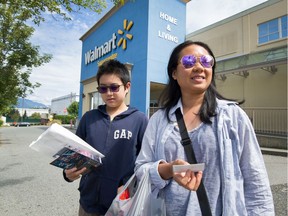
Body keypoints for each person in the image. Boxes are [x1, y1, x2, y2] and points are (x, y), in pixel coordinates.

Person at [135, 40, 274, 215]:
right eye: (188, 62)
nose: (199, 67)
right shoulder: (158, 120)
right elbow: (141, 169)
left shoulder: (232, 116)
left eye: (206, 61)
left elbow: (255, 179)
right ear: (174, 73)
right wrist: (168, 169)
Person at [63, 59, 149, 216]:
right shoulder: (89, 118)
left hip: (123, 205)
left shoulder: (139, 120)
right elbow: (75, 154)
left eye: (114, 87)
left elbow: (147, 161)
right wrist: (67, 174)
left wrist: (132, 185)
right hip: (88, 204)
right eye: (103, 88)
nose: (109, 93)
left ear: (127, 87)